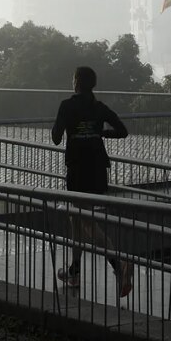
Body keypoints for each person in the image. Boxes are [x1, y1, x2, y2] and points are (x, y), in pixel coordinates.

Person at [51, 65, 133, 298]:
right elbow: (123, 131)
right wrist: (99, 134)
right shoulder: (99, 107)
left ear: (76, 81)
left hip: (78, 169)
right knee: (77, 220)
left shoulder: (67, 106)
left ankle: (119, 266)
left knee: (85, 222)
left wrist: (65, 126)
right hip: (97, 169)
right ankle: (74, 272)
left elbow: (56, 138)